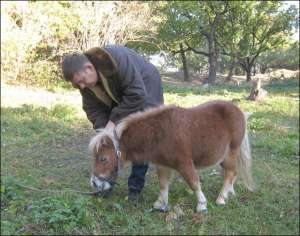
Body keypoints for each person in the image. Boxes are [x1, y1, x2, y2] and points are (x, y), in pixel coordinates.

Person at [61, 45, 164, 203]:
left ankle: (135, 188)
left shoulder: (118, 59)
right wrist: (105, 131)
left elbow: (137, 94)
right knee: (108, 142)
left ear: (89, 68)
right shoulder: (85, 83)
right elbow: (92, 109)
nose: (81, 87)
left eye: (81, 81)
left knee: (140, 138)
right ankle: (107, 183)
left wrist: (114, 121)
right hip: (119, 97)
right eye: (77, 84)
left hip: (146, 88)